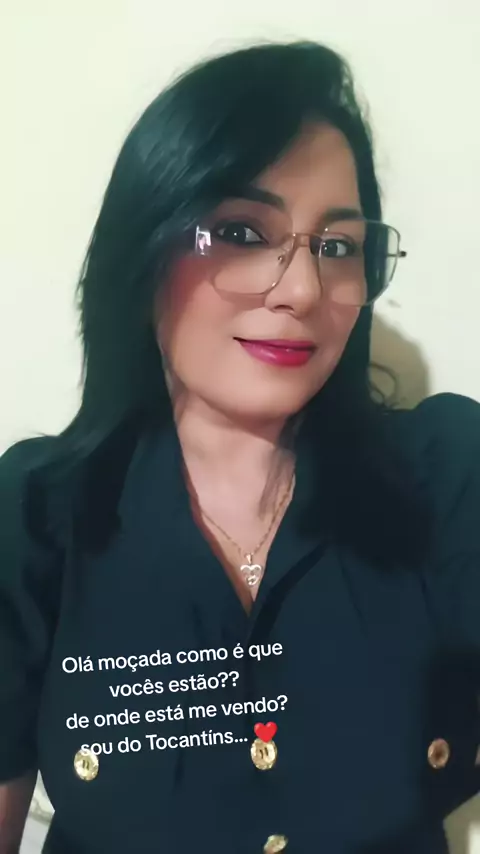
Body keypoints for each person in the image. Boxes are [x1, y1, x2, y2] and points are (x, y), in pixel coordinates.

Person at [0, 39, 479, 854]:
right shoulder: (36, 515)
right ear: (142, 252)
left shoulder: (445, 474)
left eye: (337, 246)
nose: (303, 289)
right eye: (240, 231)